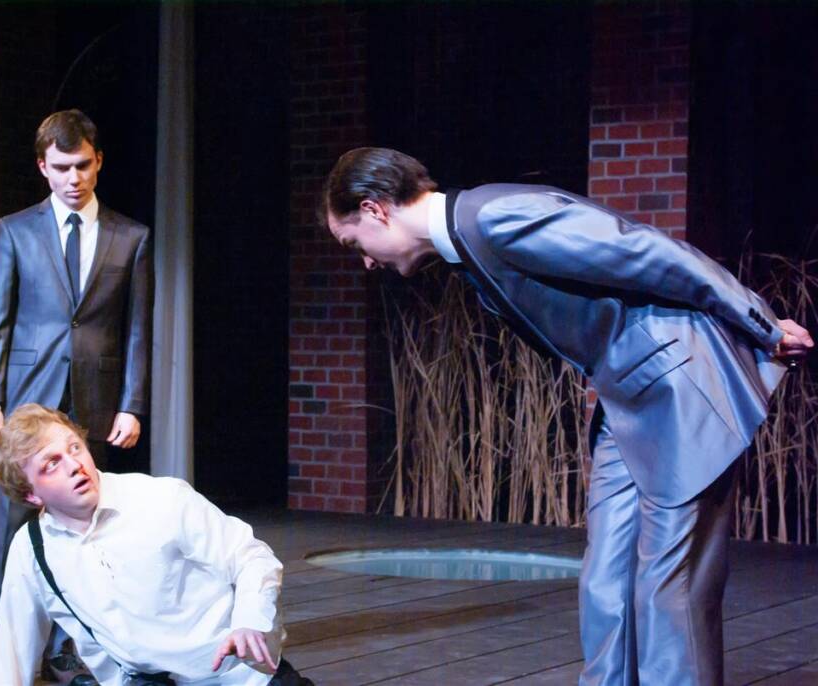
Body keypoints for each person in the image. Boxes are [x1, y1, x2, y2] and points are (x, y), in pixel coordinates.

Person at [321, 147, 813, 685]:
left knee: (669, 587)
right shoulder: (467, 243)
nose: (366, 261)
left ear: (375, 210)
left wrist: (762, 323)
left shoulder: (496, 217)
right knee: (607, 580)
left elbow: (647, 252)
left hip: (678, 389)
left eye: (353, 245)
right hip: (625, 397)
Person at [0, 110, 152, 675]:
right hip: (28, 400)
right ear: (42, 168)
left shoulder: (132, 237)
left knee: (84, 526)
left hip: (95, 403)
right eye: (60, 168)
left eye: (81, 165)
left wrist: (133, 403)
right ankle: (10, 658)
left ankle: (70, 653)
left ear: (98, 161)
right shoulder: (16, 231)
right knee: (12, 526)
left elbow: (138, 328)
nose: (72, 178)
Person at [0, 404, 312, 686]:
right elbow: (10, 654)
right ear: (31, 494)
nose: (75, 466)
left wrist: (249, 621)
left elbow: (250, 556)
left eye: (74, 448)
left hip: (235, 677)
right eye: (51, 463)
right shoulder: (33, 551)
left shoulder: (159, 499)